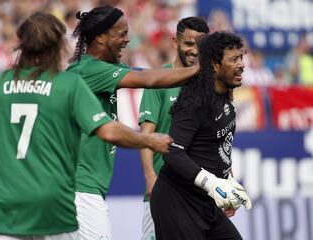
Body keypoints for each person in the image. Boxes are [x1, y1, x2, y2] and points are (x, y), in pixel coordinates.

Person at [0, 12, 172, 240]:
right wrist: (149, 140)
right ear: (57, 46)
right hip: (52, 202)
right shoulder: (65, 85)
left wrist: (0, 161)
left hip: (2, 204)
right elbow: (108, 130)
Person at [67, 5, 200, 240]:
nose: (128, 40)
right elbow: (149, 79)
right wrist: (202, 69)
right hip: (80, 189)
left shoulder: (103, 69)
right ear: (100, 37)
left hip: (82, 189)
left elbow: (149, 75)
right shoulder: (90, 69)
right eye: (121, 34)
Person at [150, 31, 252, 240]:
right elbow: (172, 152)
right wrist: (212, 183)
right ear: (214, 65)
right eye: (234, 59)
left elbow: (216, 145)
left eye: (241, 57)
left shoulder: (225, 96)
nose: (241, 64)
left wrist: (228, 181)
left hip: (204, 202)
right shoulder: (195, 101)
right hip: (177, 202)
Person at [138, 16, 209, 240]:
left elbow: (216, 140)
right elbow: (145, 137)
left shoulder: (210, 85)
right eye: (189, 43)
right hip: (163, 191)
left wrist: (227, 181)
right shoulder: (159, 80)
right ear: (175, 42)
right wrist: (150, 177)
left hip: (199, 195)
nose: (194, 50)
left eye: (200, 44)